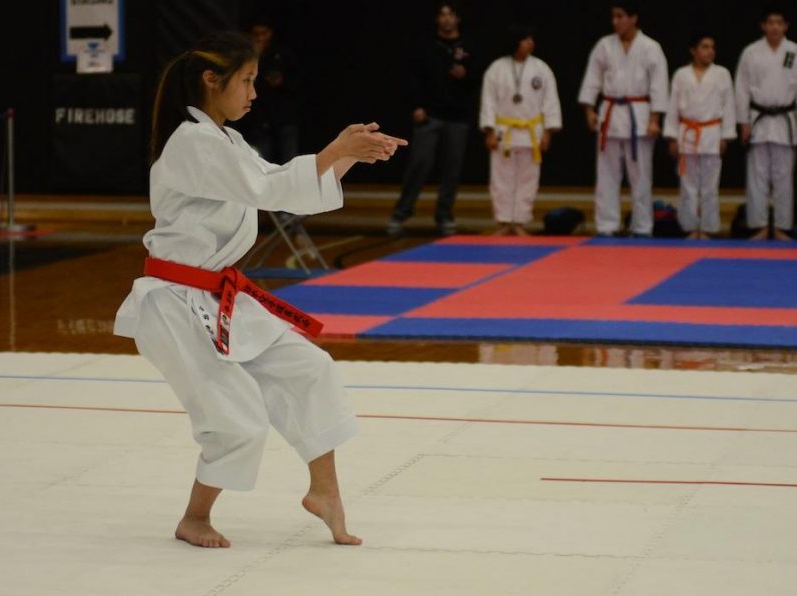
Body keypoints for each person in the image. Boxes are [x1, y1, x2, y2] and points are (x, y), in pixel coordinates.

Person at [113, 32, 406, 548]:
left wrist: (346, 157)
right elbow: (270, 189)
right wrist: (337, 149)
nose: (254, 91)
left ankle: (325, 491)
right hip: (173, 305)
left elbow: (278, 183)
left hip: (217, 297)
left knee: (309, 368)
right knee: (238, 420)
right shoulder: (192, 141)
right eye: (245, 80)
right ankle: (194, 517)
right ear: (211, 80)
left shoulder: (223, 139)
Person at [578, 1, 668, 238]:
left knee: (641, 176)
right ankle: (607, 225)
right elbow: (592, 80)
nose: (615, 21)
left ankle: (642, 226)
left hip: (639, 114)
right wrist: (589, 110)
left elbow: (659, 85)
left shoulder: (651, 47)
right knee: (606, 174)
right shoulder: (604, 46)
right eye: (613, 17)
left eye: (620, 16)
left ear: (633, 18)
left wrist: (655, 118)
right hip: (609, 114)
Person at [387, 2, 476, 236]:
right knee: (420, 164)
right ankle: (401, 213)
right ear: (437, 20)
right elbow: (414, 77)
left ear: (457, 19)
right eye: (443, 15)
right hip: (430, 114)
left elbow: (478, 81)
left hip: (458, 116)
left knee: (452, 170)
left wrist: (465, 75)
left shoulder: (468, 47)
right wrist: (417, 105)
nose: (447, 19)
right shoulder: (426, 46)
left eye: (451, 15)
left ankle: (444, 215)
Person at [479, 24, 561, 236]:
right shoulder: (496, 69)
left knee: (528, 179)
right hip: (503, 131)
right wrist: (489, 131)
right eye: (526, 39)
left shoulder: (542, 69)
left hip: (532, 132)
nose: (530, 43)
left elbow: (550, 102)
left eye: (531, 39)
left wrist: (548, 132)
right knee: (500, 179)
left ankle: (521, 222)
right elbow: (488, 101)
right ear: (515, 42)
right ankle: (504, 221)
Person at [664, 33, 736, 239]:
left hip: (712, 132)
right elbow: (672, 107)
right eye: (705, 47)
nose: (710, 51)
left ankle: (708, 228)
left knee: (710, 186)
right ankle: (689, 227)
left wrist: (726, 136)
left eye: (712, 47)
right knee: (687, 186)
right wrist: (672, 137)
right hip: (687, 134)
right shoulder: (681, 74)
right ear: (693, 51)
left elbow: (729, 106)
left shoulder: (722, 74)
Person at [735, 4, 797, 241]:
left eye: (779, 22)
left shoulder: (793, 51)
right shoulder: (751, 52)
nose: (774, 27)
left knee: (784, 178)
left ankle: (782, 226)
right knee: (756, 176)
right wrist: (743, 122)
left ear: (786, 26)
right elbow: (741, 88)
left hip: (785, 120)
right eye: (770, 22)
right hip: (758, 120)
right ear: (763, 26)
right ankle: (759, 226)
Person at [236, 18, 302, 163]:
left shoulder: (283, 53)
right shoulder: (245, 57)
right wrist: (256, 56)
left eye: (263, 33)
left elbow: (298, 81)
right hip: (259, 119)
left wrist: (282, 82)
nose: (260, 38)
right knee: (260, 163)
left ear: (270, 33)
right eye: (256, 34)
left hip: (284, 117)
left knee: (290, 161)